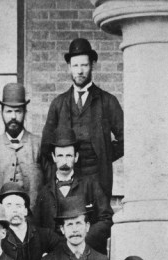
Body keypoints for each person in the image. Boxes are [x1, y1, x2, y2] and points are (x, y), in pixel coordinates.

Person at [40, 37, 124, 200]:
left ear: (92, 65)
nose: (79, 71)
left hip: (98, 179)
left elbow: (126, 139)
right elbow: (46, 148)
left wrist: (104, 155)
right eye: (75, 65)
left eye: (84, 65)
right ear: (69, 67)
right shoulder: (58, 104)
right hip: (66, 180)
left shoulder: (108, 101)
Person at [34, 128, 113, 253]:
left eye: (69, 155)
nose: (64, 161)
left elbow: (106, 219)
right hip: (56, 255)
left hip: (86, 252)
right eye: (60, 155)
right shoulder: (44, 193)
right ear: (54, 157)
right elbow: (37, 228)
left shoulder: (91, 185)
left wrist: (82, 240)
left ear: (76, 157)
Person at [0, 83, 42, 207]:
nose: (13, 116)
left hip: (34, 216)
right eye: (9, 111)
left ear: (25, 113)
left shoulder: (39, 145)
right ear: (1, 113)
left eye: (18, 111)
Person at [0, 181, 61, 260]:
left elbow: (64, 250)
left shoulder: (45, 235)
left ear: (26, 210)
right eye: (9, 205)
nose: (14, 210)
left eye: (18, 205)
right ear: (2, 211)